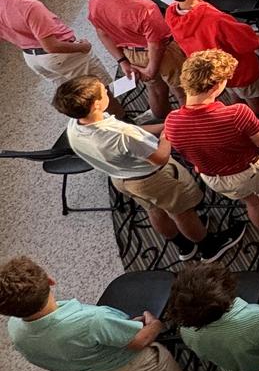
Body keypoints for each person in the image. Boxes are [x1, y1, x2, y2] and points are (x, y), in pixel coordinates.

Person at [1, 255, 205, 371]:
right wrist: (155, 325)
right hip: (132, 368)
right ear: (50, 280)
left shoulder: (15, 330)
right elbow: (139, 340)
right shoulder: (91, 321)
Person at [56, 73, 229, 259]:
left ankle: (184, 245)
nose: (107, 91)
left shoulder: (75, 125)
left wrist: (164, 124)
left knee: (154, 209)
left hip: (122, 178)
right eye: (103, 91)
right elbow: (160, 157)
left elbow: (136, 134)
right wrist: (168, 134)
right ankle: (209, 246)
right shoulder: (121, 135)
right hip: (153, 179)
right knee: (182, 213)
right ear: (96, 104)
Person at [164, 47, 259, 259]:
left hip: (216, 178)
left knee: (252, 203)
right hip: (256, 168)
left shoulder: (172, 122)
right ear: (215, 86)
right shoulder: (236, 113)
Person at [86, 0, 183, 121]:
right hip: (163, 54)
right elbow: (156, 43)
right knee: (182, 89)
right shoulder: (144, 7)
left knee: (156, 91)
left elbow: (102, 33)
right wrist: (152, 69)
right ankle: (194, 124)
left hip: (131, 54)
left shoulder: (95, 1)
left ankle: (165, 125)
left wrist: (122, 61)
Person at [164, 0, 259, 120]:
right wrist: (257, 39)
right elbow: (244, 42)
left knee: (234, 94)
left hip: (214, 72)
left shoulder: (171, 13)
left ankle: (240, 119)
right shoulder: (214, 19)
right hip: (238, 69)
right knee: (256, 101)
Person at [0, 0, 100, 88]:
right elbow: (52, 46)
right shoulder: (29, 6)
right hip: (59, 56)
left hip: (32, 58)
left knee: (76, 94)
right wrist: (83, 47)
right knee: (102, 90)